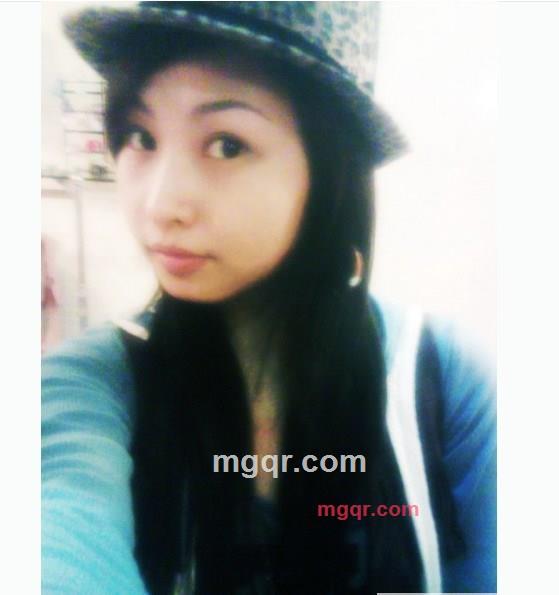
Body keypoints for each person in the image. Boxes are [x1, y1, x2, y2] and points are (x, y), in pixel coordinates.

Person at [42, 2, 496, 594]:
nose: (159, 204)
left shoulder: (439, 380)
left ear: (329, 173)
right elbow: (62, 530)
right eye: (140, 136)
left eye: (226, 145)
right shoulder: (91, 386)